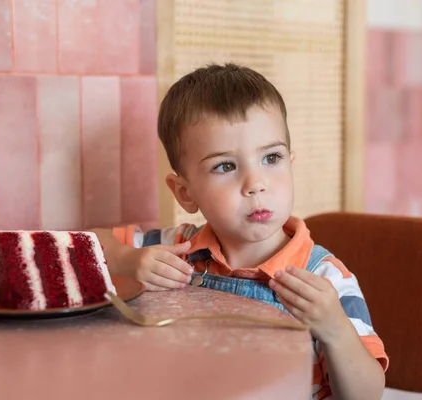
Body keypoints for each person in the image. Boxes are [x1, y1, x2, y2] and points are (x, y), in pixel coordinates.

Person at [93, 63, 388, 400]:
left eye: (271, 158)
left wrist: (336, 330)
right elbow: (85, 245)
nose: (256, 184)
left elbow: (367, 395)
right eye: (226, 166)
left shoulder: (324, 279)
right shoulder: (178, 247)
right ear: (185, 193)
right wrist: (128, 258)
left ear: (291, 164)